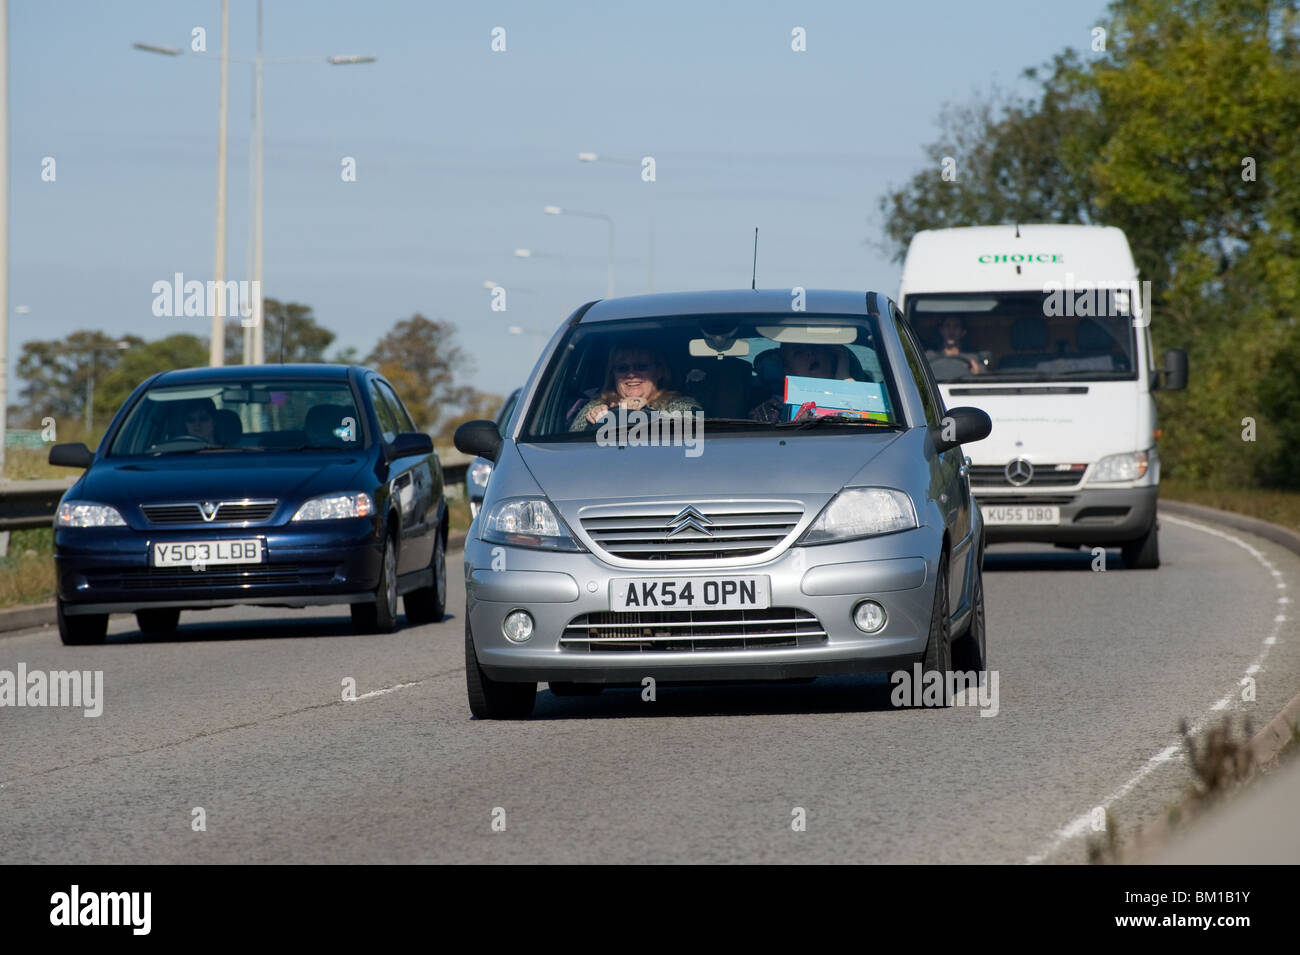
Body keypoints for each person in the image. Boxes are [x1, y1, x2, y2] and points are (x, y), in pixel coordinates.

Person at [569, 345, 700, 431]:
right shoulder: (596, 407)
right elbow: (572, 443)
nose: (631, 374)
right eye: (622, 368)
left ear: (659, 372)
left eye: (641, 367)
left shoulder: (681, 404)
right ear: (613, 375)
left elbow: (693, 432)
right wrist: (595, 419)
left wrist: (646, 411)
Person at [747, 342, 852, 423]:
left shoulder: (862, 396)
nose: (810, 353)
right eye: (799, 352)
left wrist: (844, 379)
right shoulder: (771, 411)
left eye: (815, 346)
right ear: (787, 370)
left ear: (832, 358)